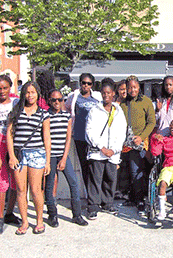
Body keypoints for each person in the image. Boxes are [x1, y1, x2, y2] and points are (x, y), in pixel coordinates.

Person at [7, 81, 51, 235]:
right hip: (19, 154)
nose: (30, 95)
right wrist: (11, 156)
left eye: (33, 92)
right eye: (27, 92)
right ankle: (24, 221)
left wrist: (48, 161)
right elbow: (10, 134)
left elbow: (47, 138)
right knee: (20, 190)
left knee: (36, 190)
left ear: (38, 94)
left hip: (37, 154)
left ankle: (39, 221)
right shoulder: (16, 111)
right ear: (23, 94)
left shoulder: (43, 114)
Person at [45, 89, 88, 227]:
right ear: (49, 101)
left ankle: (77, 215)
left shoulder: (67, 116)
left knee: (74, 183)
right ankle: (52, 215)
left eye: (59, 99)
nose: (57, 102)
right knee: (50, 185)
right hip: (50, 156)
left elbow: (68, 138)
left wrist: (64, 158)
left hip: (63, 155)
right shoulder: (46, 116)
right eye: (54, 100)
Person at [85, 78, 127, 220]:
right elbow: (89, 131)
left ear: (113, 94)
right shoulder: (94, 110)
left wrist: (114, 149)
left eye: (109, 93)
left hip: (113, 153)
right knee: (95, 180)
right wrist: (101, 147)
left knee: (110, 179)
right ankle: (92, 207)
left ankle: (107, 203)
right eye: (104, 93)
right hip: (98, 152)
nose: (106, 96)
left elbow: (122, 131)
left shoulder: (118, 111)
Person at [120, 75, 156, 214]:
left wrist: (141, 137)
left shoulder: (146, 102)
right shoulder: (123, 103)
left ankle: (140, 199)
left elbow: (151, 122)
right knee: (127, 171)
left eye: (134, 87)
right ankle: (132, 197)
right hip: (125, 142)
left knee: (137, 171)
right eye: (129, 87)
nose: (132, 90)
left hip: (139, 142)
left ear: (139, 87)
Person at [65, 73, 102, 189]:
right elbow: (65, 107)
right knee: (84, 166)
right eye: (84, 83)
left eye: (89, 83)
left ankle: (96, 193)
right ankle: (88, 194)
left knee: (95, 166)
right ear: (80, 83)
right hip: (80, 136)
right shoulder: (74, 96)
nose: (86, 85)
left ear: (92, 85)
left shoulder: (97, 98)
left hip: (94, 137)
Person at [0, 75, 21, 234]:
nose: (2, 91)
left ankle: (9, 213)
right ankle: (1, 217)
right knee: (2, 182)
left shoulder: (16, 102)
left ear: (10, 88)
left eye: (5, 88)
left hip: (14, 144)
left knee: (16, 181)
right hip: (0, 144)